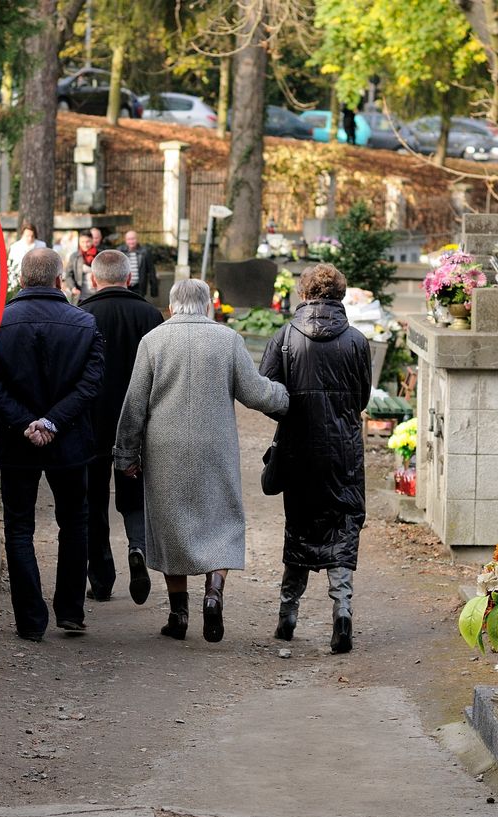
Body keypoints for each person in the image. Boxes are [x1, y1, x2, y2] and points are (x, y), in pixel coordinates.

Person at [114, 279, 288, 643]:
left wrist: (126, 455)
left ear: (173, 306)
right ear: (207, 305)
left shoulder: (154, 341)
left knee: (169, 526)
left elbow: (134, 406)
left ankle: (178, 615)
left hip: (165, 449)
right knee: (221, 520)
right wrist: (286, 397)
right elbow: (256, 393)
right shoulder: (228, 340)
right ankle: (214, 592)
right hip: (216, 446)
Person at [0, 248, 106, 641]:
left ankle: (31, 620)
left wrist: (25, 422)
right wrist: (52, 421)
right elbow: (91, 383)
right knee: (74, 523)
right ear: (58, 279)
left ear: (20, 279)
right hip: (67, 439)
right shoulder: (84, 323)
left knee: (19, 528)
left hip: (20, 442)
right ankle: (69, 610)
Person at [258, 263, 371, 653]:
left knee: (301, 528)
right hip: (343, 451)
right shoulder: (356, 340)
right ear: (339, 295)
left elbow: (268, 395)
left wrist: (292, 413)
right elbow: (362, 398)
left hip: (298, 449)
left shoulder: (285, 337)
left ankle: (287, 616)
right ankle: (342, 612)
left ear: (304, 294)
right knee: (342, 526)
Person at [78, 250, 164, 603]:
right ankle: (138, 548)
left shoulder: (82, 315)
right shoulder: (150, 314)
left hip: (92, 422)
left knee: (93, 498)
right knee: (134, 494)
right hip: (139, 423)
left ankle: (101, 577)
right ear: (128, 278)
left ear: (94, 279)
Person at [118, 230, 159, 299]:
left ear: (137, 239)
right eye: (129, 239)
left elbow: (152, 271)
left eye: (133, 239)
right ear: (125, 240)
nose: (131, 241)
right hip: (124, 286)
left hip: (139, 287)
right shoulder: (120, 251)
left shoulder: (145, 252)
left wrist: (154, 289)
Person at [7, 222, 46, 292]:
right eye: (27, 236)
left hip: (37, 283)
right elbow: (11, 266)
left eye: (32, 236)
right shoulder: (15, 247)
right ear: (22, 235)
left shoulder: (42, 246)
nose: (30, 238)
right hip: (18, 283)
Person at [65, 232, 99, 302]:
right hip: (81, 296)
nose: (85, 245)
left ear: (92, 240)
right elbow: (68, 275)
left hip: (98, 295)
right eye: (82, 242)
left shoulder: (99, 255)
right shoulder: (74, 256)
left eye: (88, 242)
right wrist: (73, 288)